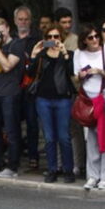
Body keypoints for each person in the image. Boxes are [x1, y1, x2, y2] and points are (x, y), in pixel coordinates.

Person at [74, 24, 105, 189]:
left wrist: (101, 72)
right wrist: (82, 75)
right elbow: (76, 77)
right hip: (88, 101)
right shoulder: (79, 53)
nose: (95, 40)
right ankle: (92, 175)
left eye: (96, 36)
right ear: (84, 40)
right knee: (91, 138)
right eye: (90, 37)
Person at [29, 27, 75, 183]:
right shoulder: (42, 56)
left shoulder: (67, 54)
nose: (54, 39)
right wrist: (34, 55)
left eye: (56, 36)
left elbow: (71, 72)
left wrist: (65, 53)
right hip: (43, 100)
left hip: (63, 99)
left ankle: (68, 170)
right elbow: (30, 74)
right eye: (50, 36)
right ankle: (51, 169)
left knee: (64, 137)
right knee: (49, 137)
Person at [0, 18, 23, 177]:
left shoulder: (17, 45)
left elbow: (7, 66)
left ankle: (12, 166)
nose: (0, 34)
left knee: (11, 130)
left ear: (8, 28)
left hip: (11, 94)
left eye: (2, 31)